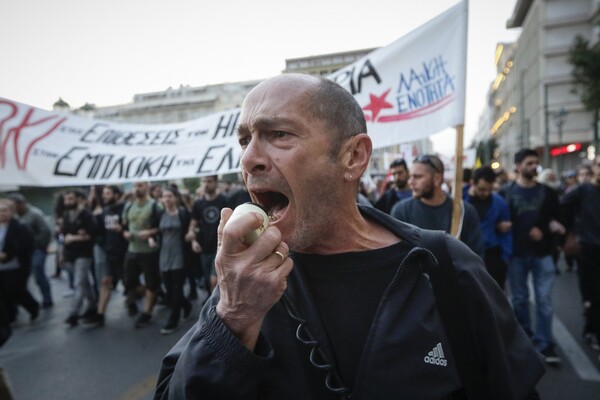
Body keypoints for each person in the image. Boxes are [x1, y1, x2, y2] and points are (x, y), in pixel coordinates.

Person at [155, 74, 543, 399]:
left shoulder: (443, 266)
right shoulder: (246, 281)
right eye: (245, 140)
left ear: (353, 157)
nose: (249, 159)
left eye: (279, 134)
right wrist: (234, 319)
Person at [501, 148, 565, 364]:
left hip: (542, 254)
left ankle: (545, 344)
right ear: (518, 166)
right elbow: (496, 219)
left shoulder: (548, 193)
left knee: (544, 300)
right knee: (519, 300)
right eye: (529, 163)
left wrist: (545, 231)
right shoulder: (505, 193)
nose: (533, 167)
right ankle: (525, 340)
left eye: (535, 163)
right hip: (516, 255)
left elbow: (557, 220)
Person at [391, 154, 484, 258]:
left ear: (437, 178)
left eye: (417, 177)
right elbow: (397, 257)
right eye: (410, 176)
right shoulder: (401, 211)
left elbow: (476, 257)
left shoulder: (464, 211)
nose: (411, 182)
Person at [560, 154, 600, 353]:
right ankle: (591, 329)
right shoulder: (583, 191)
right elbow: (560, 207)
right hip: (589, 251)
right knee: (591, 295)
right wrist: (570, 233)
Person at [83, 186, 127, 327]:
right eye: (104, 194)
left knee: (130, 285)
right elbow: (98, 231)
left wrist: (124, 229)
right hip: (109, 252)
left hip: (124, 253)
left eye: (108, 193)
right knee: (105, 282)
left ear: (117, 194)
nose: (105, 196)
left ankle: (153, 292)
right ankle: (100, 315)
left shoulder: (125, 209)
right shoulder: (104, 212)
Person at [122, 181, 162, 328]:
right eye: (135, 185)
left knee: (151, 282)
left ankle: (147, 312)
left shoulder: (154, 206)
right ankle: (152, 296)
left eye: (141, 185)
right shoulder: (129, 206)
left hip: (149, 251)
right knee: (128, 282)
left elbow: (162, 226)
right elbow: (125, 225)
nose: (137, 188)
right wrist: (125, 232)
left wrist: (150, 232)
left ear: (147, 187)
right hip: (132, 249)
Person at [465, 166, 512, 289]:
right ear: (472, 183)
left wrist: (505, 258)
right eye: (482, 189)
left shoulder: (499, 202)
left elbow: (507, 230)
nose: (486, 193)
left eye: (489, 190)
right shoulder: (460, 202)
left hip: (494, 256)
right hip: (468, 254)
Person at [155, 188, 193, 334]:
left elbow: (192, 228)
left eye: (170, 196)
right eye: (164, 196)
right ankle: (186, 304)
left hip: (180, 255)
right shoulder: (159, 214)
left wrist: (191, 234)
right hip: (164, 255)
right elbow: (154, 230)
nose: (167, 199)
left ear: (175, 198)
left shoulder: (183, 213)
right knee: (169, 290)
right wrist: (152, 239)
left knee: (176, 289)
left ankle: (172, 321)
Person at [8, 193, 53, 308]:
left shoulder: (34, 214)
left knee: (38, 272)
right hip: (23, 252)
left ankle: (47, 298)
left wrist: (37, 244)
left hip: (37, 248)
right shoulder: (15, 217)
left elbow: (45, 231)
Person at [60, 190, 97, 327]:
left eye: (71, 198)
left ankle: (73, 313)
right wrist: (62, 253)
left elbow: (91, 235)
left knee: (79, 283)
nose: (68, 201)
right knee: (84, 282)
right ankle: (92, 304)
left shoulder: (86, 214)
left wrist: (74, 237)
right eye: (66, 199)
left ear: (77, 199)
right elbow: (63, 236)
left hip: (83, 253)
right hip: (70, 254)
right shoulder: (66, 215)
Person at [186, 175, 228, 293]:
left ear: (215, 183)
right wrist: (193, 240)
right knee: (207, 279)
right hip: (204, 246)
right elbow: (193, 224)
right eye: (204, 181)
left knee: (214, 279)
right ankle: (211, 300)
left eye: (209, 181)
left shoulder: (224, 200)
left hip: (220, 246)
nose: (206, 184)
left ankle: (215, 304)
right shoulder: (198, 203)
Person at [0, 199, 39, 323]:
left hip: (15, 265)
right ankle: (10, 316)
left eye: (4, 210)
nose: (1, 214)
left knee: (16, 289)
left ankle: (33, 307)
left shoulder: (19, 227)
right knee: (3, 292)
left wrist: (7, 255)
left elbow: (24, 245)